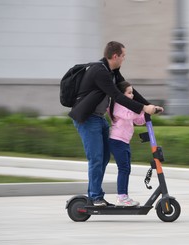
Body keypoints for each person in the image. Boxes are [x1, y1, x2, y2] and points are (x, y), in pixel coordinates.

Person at [69, 41, 163, 207]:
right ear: (115, 56)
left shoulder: (112, 71)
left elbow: (127, 90)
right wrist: (143, 108)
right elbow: (118, 96)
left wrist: (149, 106)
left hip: (98, 118)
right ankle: (95, 197)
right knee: (97, 158)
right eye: (123, 56)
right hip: (87, 119)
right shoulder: (100, 72)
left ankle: (96, 195)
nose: (124, 59)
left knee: (104, 157)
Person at [108, 81, 146, 206]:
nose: (132, 96)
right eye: (129, 93)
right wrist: (143, 108)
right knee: (123, 169)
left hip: (124, 141)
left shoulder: (127, 107)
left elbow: (138, 120)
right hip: (117, 140)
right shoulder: (118, 105)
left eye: (132, 93)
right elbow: (129, 115)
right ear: (121, 94)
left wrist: (147, 113)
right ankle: (121, 197)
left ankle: (124, 196)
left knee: (126, 169)